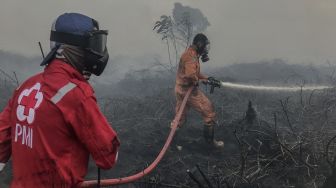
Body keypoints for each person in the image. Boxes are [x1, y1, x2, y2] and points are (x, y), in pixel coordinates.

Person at [0, 13, 120, 187]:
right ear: (66, 50)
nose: (97, 53)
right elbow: (108, 157)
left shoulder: (25, 87)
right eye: (92, 47)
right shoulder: (76, 94)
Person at [173, 33, 224, 148]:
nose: (205, 50)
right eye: (205, 46)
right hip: (188, 91)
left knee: (179, 118)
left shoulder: (191, 54)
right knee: (208, 110)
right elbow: (191, 75)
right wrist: (198, 81)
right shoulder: (191, 56)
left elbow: (194, 73)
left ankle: (172, 145)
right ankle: (210, 144)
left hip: (181, 89)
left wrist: (206, 78)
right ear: (200, 44)